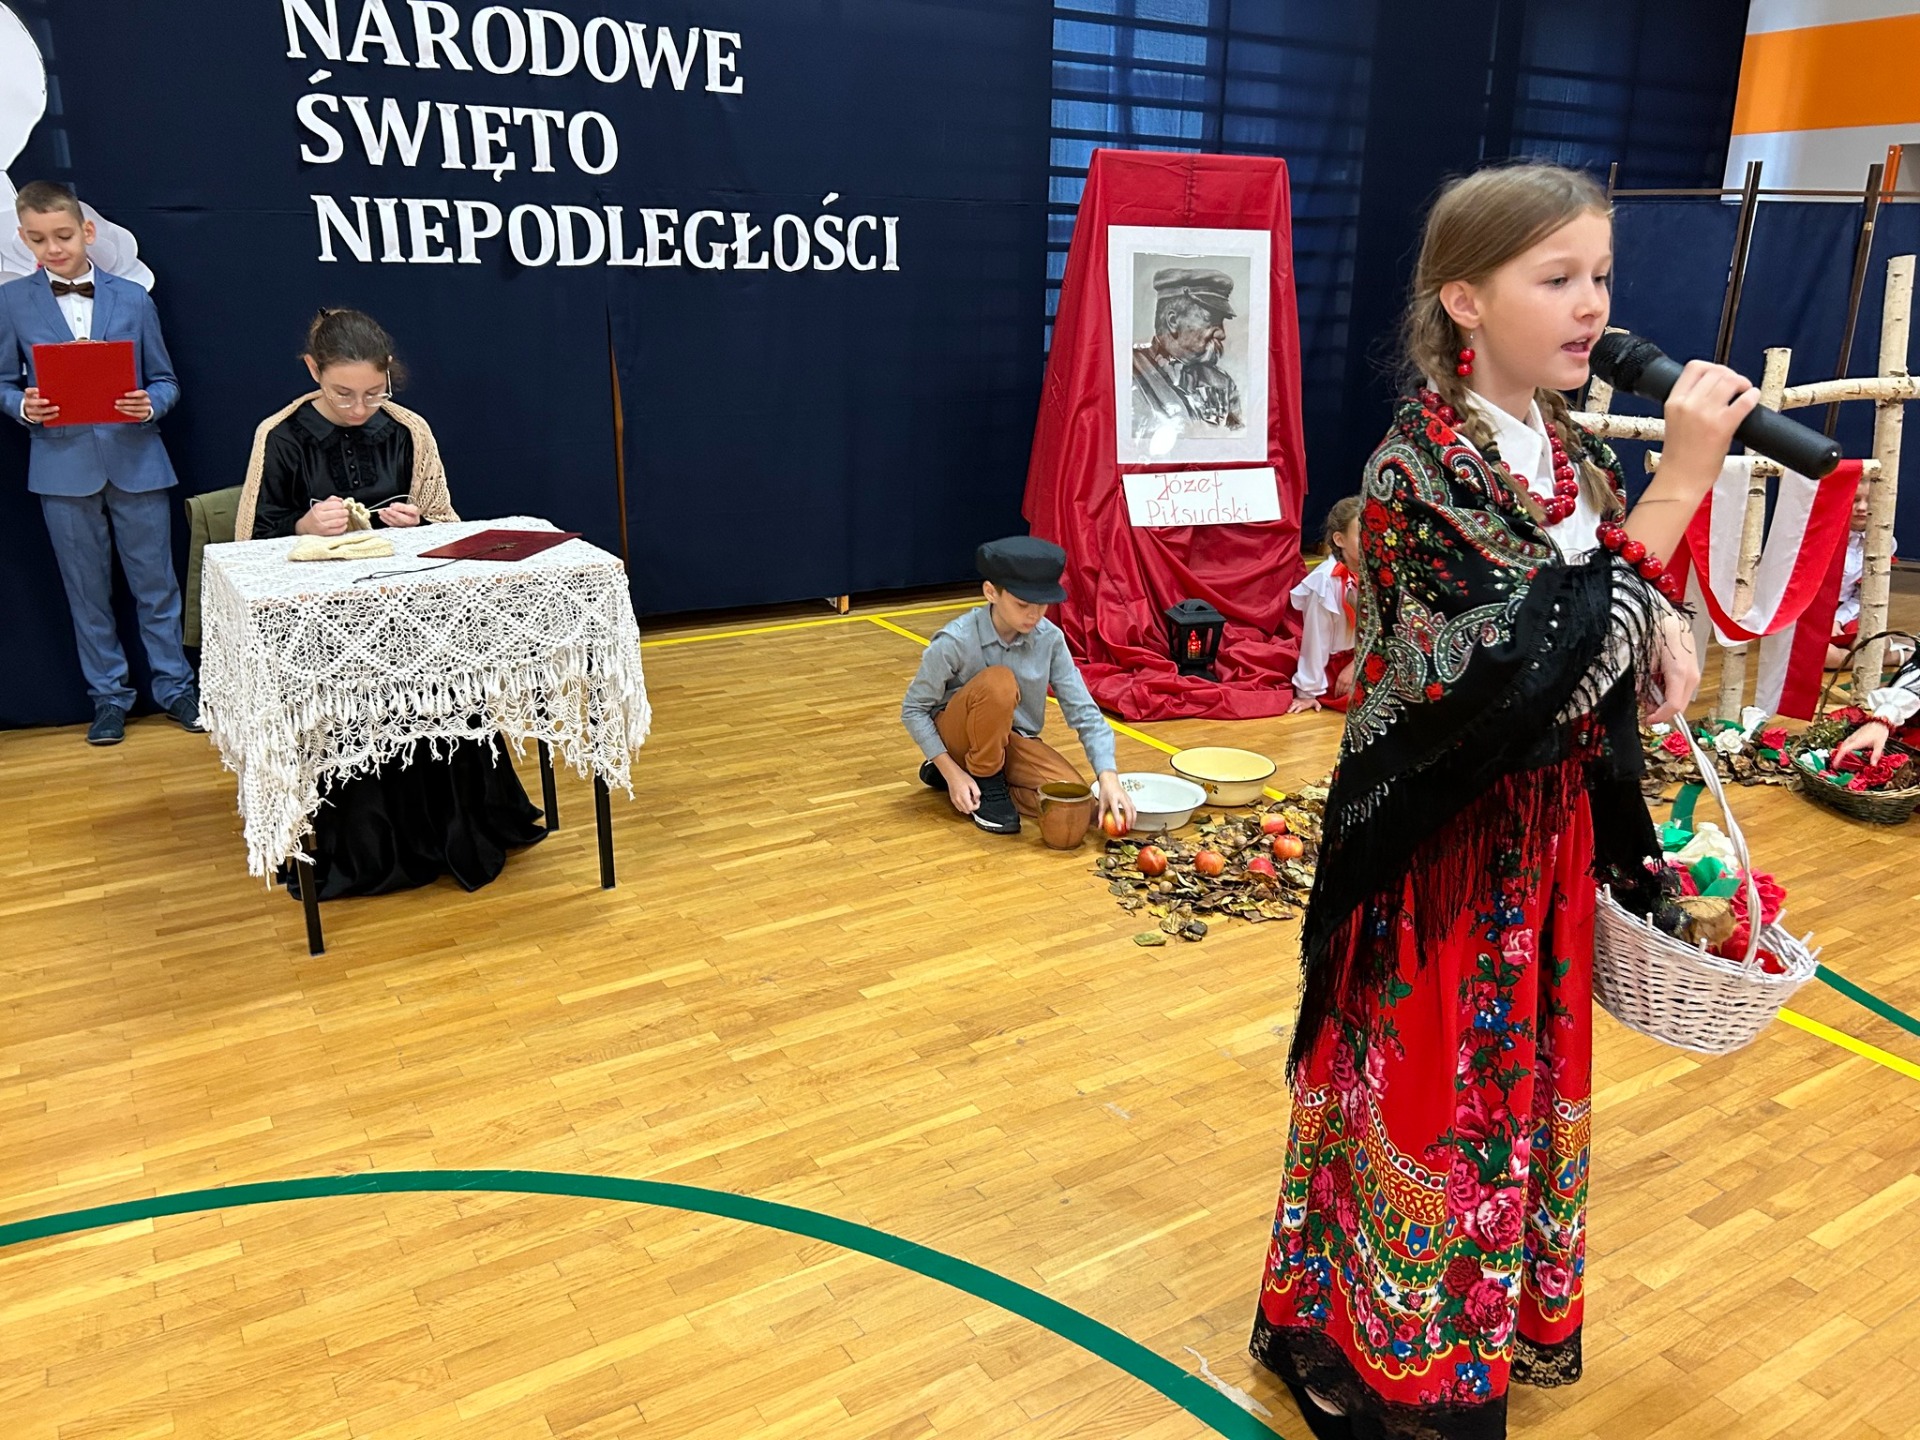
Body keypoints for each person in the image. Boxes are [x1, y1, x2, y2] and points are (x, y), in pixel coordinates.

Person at [1247, 163, 1760, 1440]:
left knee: (1509, 1098)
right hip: (1445, 849)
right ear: (1464, 300)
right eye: (1558, 278)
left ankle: (1465, 1334)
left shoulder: (1569, 450)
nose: (1593, 307)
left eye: (1602, 277)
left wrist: (1665, 631)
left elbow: (1609, 607)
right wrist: (1681, 488)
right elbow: (1536, 657)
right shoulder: (1417, 470)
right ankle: (1370, 1348)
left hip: (1546, 841)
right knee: (1426, 1096)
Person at [236, 308, 543, 899]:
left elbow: (448, 524)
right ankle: (367, 843)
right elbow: (249, 546)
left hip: (410, 614)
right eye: (342, 394)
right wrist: (302, 524)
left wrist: (417, 521)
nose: (358, 408)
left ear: (389, 375)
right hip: (326, 625)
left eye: (374, 393)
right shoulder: (280, 435)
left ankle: (458, 827)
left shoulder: (408, 430)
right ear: (313, 371)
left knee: (443, 684)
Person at [0, 179, 198, 745]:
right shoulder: (11, 302)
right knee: (86, 593)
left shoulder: (133, 298)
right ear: (24, 239)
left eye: (63, 235)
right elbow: (3, 382)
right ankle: (108, 697)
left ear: (86, 231)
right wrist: (23, 406)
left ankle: (176, 688)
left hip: (137, 459)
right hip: (61, 467)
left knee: (157, 586)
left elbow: (165, 379)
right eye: (39, 239)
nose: (53, 248)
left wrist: (149, 403)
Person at [903, 536, 1135, 838]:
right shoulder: (955, 640)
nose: (1034, 614)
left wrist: (1108, 777)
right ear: (991, 592)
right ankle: (982, 779)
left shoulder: (1050, 639)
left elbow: (1084, 711)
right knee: (999, 682)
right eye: (1022, 604)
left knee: (1076, 804)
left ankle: (972, 775)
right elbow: (913, 710)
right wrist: (951, 770)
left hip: (1010, 740)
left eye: (1043, 604)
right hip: (957, 734)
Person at [1131, 268, 1243, 440]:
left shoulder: (1223, 383)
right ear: (1173, 321)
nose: (1222, 334)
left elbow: (1239, 442)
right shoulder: (1127, 371)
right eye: (1211, 320)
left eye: (1220, 322)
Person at [1289, 496, 1363, 714]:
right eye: (1362, 535)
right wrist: (1307, 693)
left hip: (1365, 658)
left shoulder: (1379, 572)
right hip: (1336, 667)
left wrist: (1358, 663)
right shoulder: (1325, 582)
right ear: (1340, 539)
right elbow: (1316, 640)